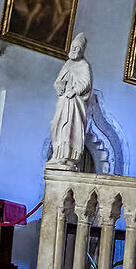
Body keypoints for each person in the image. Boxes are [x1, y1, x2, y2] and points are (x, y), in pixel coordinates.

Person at [48, 33, 96, 172]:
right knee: (56, 124)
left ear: (82, 51)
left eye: (77, 49)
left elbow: (86, 83)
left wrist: (74, 90)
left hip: (74, 103)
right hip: (63, 101)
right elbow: (58, 80)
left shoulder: (84, 65)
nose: (74, 50)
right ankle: (57, 155)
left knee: (70, 126)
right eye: (73, 47)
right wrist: (59, 86)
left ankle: (67, 156)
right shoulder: (68, 64)